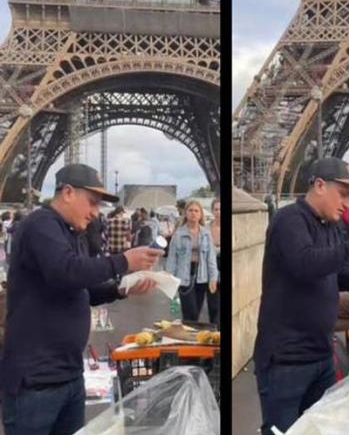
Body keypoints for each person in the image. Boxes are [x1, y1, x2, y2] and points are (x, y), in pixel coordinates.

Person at [0, 163, 163, 435]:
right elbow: (66, 271)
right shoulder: (41, 224)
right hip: (36, 382)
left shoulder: (72, 233)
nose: (95, 212)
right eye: (92, 202)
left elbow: (81, 287)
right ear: (67, 193)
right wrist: (124, 260)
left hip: (69, 376)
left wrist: (121, 288)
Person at [253, 157, 349, 435]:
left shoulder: (331, 226)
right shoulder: (289, 220)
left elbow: (336, 274)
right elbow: (305, 265)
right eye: (343, 194)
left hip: (321, 354)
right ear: (320, 185)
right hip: (286, 359)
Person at [165, 200, 218, 323]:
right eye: (190, 210)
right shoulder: (178, 234)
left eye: (196, 211)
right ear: (186, 213)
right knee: (191, 312)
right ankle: (188, 336)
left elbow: (211, 258)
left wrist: (213, 278)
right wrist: (169, 278)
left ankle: (189, 335)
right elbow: (172, 258)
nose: (193, 213)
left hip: (201, 275)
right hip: (183, 275)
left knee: (196, 313)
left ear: (200, 215)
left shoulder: (206, 233)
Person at [208, 198, 221, 328]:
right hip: (211, 270)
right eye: (216, 209)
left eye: (220, 209)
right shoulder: (206, 228)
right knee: (213, 303)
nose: (218, 212)